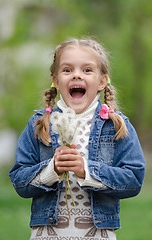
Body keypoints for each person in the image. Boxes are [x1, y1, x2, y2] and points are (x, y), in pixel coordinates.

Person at [9, 38, 145, 240]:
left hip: (97, 235)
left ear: (101, 81)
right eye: (67, 70)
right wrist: (51, 169)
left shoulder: (116, 125)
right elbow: (20, 181)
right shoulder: (39, 124)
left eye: (87, 70)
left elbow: (133, 179)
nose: (77, 75)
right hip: (47, 234)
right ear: (55, 80)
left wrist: (87, 171)